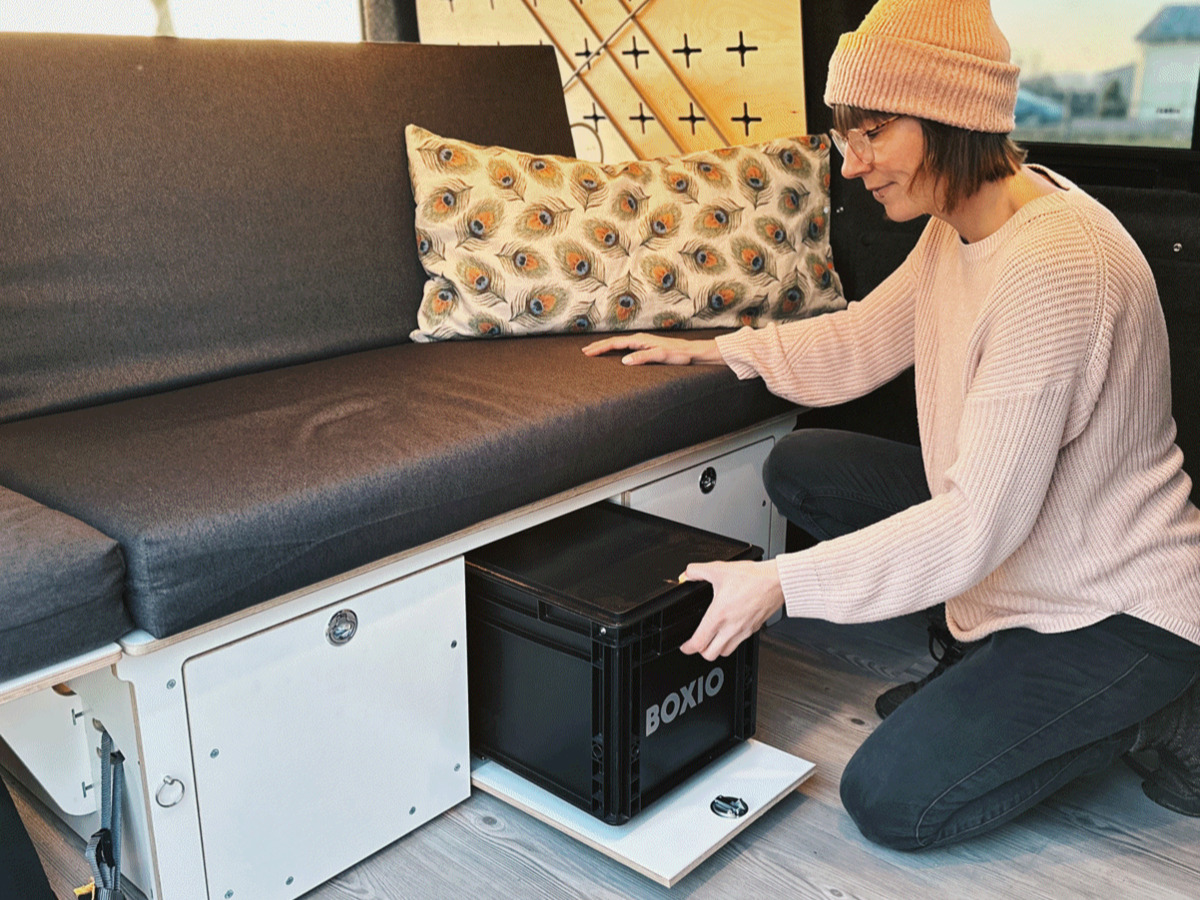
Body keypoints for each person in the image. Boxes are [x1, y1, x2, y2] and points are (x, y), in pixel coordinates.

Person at [583, 0, 1200, 850]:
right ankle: (986, 645)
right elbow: (869, 335)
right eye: (846, 137)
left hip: (1111, 600)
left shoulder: (1057, 266)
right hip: (1028, 534)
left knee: (890, 799)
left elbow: (978, 521)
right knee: (804, 465)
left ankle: (1168, 710)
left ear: (954, 116)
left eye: (872, 131)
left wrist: (781, 583)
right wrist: (713, 351)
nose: (852, 164)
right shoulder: (962, 225)